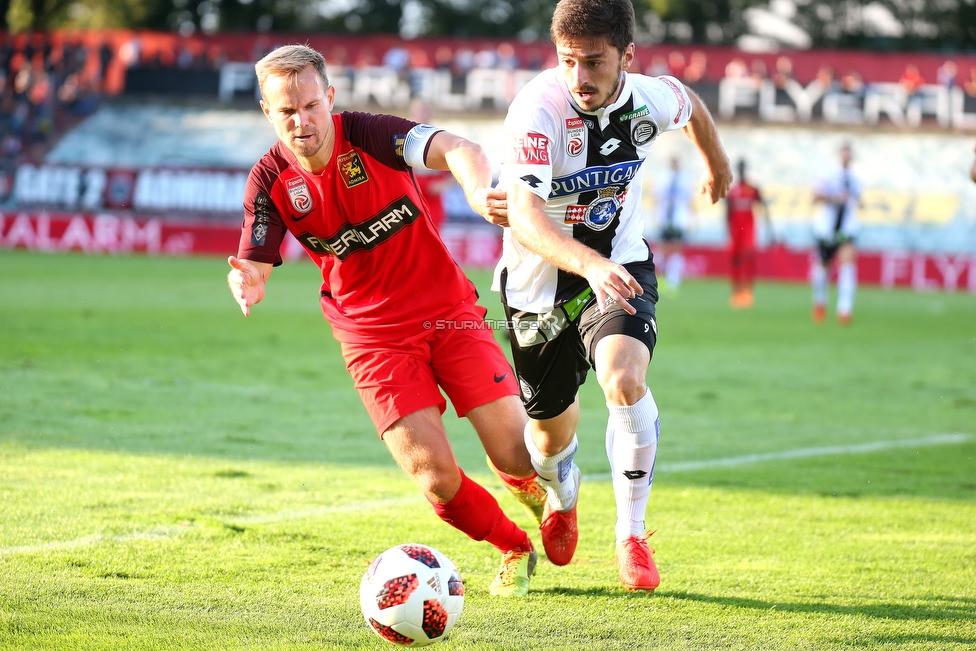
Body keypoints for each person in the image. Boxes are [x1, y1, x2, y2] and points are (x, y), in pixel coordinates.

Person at [225, 44, 550, 597]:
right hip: (370, 336)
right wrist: (249, 278)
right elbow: (254, 256)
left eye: (310, 105)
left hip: (447, 312)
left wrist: (475, 187)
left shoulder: (373, 134)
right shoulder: (269, 180)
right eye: (286, 112)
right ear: (267, 111)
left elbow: (456, 146)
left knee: (517, 454)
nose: (301, 122)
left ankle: (547, 493)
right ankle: (513, 546)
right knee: (436, 477)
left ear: (329, 97)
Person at [492, 0, 731, 592]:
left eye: (594, 62)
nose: (579, 77)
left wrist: (715, 160)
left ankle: (632, 535)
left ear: (627, 56)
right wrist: (587, 264)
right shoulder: (536, 111)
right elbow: (523, 215)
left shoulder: (649, 98)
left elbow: (691, 103)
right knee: (547, 440)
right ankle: (562, 489)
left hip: (619, 266)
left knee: (624, 379)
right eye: (568, 61)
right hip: (537, 286)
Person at [811, 142, 862, 325]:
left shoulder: (857, 178)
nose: (847, 157)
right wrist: (834, 198)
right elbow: (815, 196)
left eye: (849, 154)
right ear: (839, 155)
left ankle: (844, 310)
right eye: (844, 153)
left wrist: (856, 203)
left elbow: (857, 201)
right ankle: (820, 303)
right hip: (826, 229)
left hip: (846, 230)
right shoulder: (828, 174)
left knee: (847, 265)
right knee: (823, 268)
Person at [725, 159, 771, 309]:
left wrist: (769, 227)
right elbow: (727, 211)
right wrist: (727, 230)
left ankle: (748, 292)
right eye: (740, 169)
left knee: (749, 258)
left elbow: (763, 205)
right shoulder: (732, 191)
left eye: (743, 168)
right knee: (736, 260)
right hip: (736, 231)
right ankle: (736, 292)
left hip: (748, 230)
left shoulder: (753, 189)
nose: (742, 171)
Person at [654, 154, 694, 294]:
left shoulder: (686, 178)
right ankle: (660, 276)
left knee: (677, 247)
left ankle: (673, 280)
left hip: (678, 218)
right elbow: (657, 198)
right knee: (663, 248)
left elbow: (689, 200)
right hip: (665, 217)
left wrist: (691, 219)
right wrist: (656, 216)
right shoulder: (662, 177)